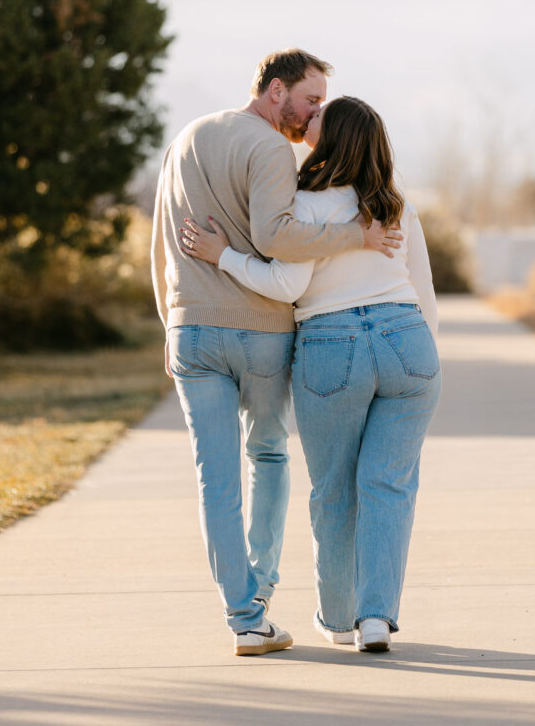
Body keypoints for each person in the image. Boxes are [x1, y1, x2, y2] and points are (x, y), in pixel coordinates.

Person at [151, 52, 402, 656]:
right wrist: (356, 235)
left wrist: (170, 322)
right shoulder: (268, 147)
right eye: (311, 99)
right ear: (275, 90)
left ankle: (243, 617)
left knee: (215, 478)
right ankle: (261, 587)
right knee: (266, 453)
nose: (317, 112)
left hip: (192, 330)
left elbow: (160, 241)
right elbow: (275, 237)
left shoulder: (185, 138)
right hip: (260, 332)